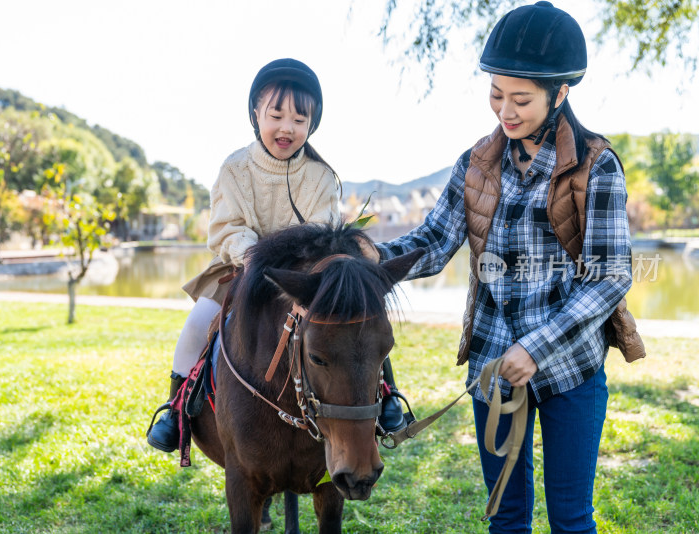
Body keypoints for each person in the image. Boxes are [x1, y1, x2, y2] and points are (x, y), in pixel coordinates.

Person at [368, 2, 643, 532]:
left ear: (560, 94)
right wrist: (372, 260)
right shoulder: (475, 163)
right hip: (493, 368)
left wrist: (533, 349)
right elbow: (434, 240)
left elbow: (611, 276)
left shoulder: (596, 165)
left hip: (570, 368)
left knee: (571, 520)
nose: (505, 112)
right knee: (505, 519)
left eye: (521, 100)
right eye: (496, 95)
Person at [147, 58, 410, 454]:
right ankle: (178, 406)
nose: (287, 127)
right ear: (256, 113)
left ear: (312, 124)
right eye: (276, 114)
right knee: (197, 323)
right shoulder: (234, 168)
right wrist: (253, 258)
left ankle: (387, 393)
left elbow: (321, 234)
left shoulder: (320, 177)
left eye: (300, 119)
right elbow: (227, 226)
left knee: (356, 325)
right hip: (241, 269)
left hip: (306, 279)